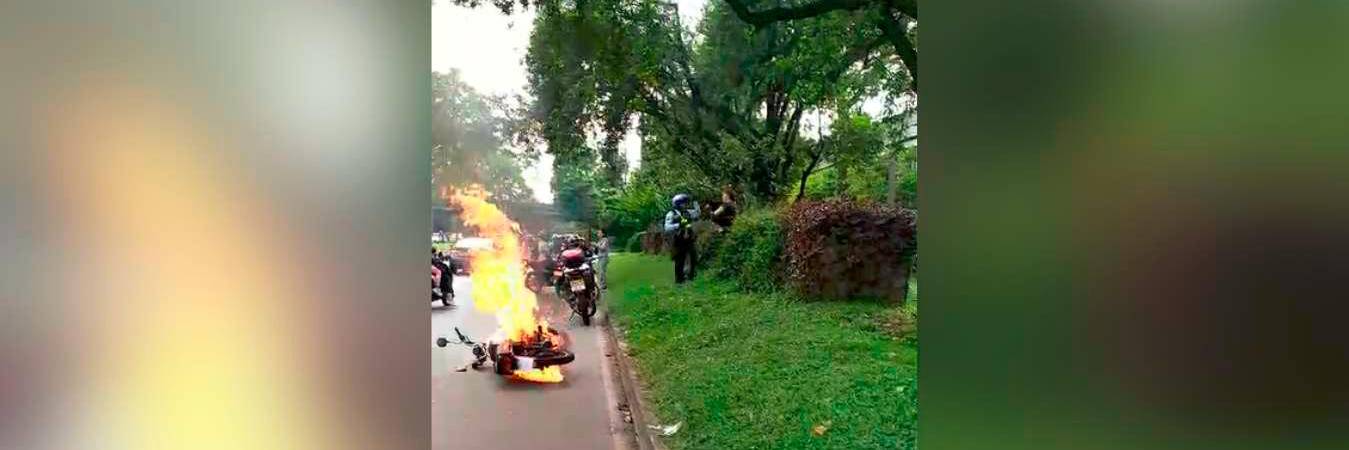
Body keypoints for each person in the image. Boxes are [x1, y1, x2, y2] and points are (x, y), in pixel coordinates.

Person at [663, 193, 700, 284]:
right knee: (680, 260)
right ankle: (679, 280)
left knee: (693, 257)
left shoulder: (687, 212)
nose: (686, 205)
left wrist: (695, 201)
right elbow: (667, 227)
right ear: (678, 204)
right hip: (678, 240)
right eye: (684, 203)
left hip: (689, 238)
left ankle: (691, 277)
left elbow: (698, 213)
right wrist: (678, 225)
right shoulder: (671, 214)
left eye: (687, 203)